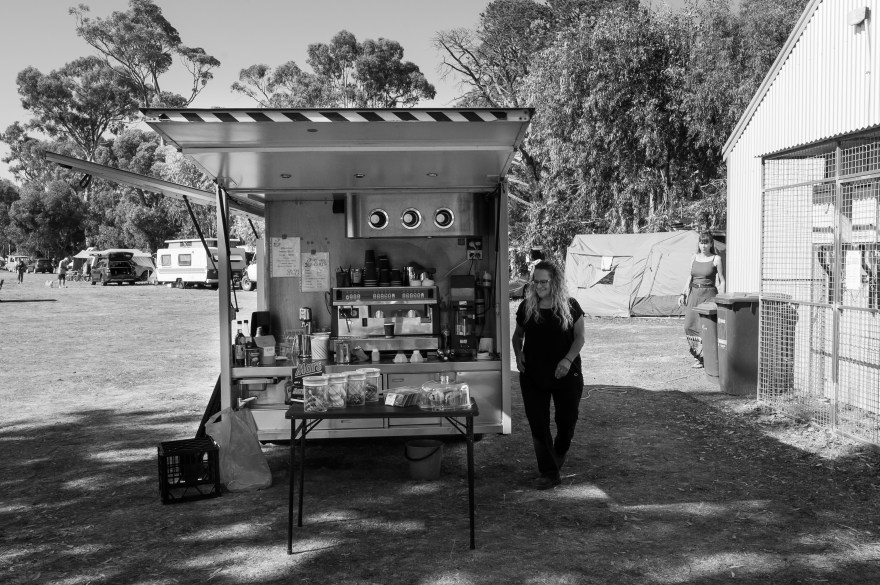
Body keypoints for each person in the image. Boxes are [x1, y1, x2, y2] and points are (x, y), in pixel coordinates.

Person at [512, 260, 586, 490]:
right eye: (536, 282)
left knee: (567, 421)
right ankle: (549, 472)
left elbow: (580, 338)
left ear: (555, 281)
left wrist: (567, 360)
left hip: (566, 373)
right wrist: (518, 354)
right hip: (533, 374)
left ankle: (559, 451)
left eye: (544, 281)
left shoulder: (570, 306)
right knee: (538, 424)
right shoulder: (527, 306)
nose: (539, 286)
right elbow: (517, 336)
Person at [678, 232, 725, 368]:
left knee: (706, 327)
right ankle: (698, 355)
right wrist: (683, 294)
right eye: (701, 242)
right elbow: (690, 277)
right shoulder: (694, 257)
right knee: (689, 325)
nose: (703, 246)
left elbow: (722, 280)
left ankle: (708, 358)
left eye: (706, 243)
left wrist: (722, 298)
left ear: (711, 244)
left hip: (709, 295)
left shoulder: (716, 259)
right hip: (694, 294)